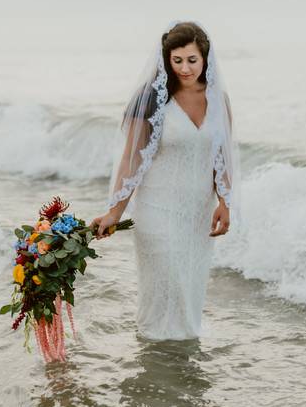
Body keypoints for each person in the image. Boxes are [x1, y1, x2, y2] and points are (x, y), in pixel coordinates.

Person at [90, 21, 241, 340]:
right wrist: (114, 212)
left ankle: (179, 363)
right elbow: (130, 160)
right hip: (157, 211)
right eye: (177, 60)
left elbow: (222, 155)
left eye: (192, 60)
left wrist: (225, 202)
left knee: (188, 290)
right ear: (167, 59)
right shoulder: (152, 100)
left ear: (205, 60)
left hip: (196, 214)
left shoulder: (218, 100)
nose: (185, 68)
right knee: (165, 285)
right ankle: (154, 353)